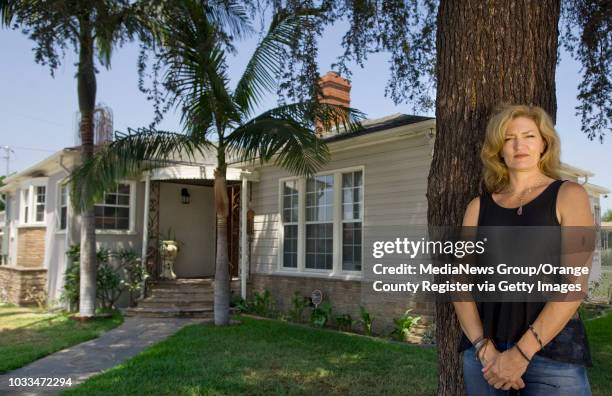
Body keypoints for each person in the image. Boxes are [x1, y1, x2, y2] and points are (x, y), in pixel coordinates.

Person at [455, 104, 594, 395]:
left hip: (552, 354)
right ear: (498, 149)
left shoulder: (569, 195)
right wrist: (483, 348)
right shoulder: (477, 208)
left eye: (529, 135)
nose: (519, 145)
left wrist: (520, 354)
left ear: (544, 143)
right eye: (508, 138)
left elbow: (574, 284)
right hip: (485, 356)